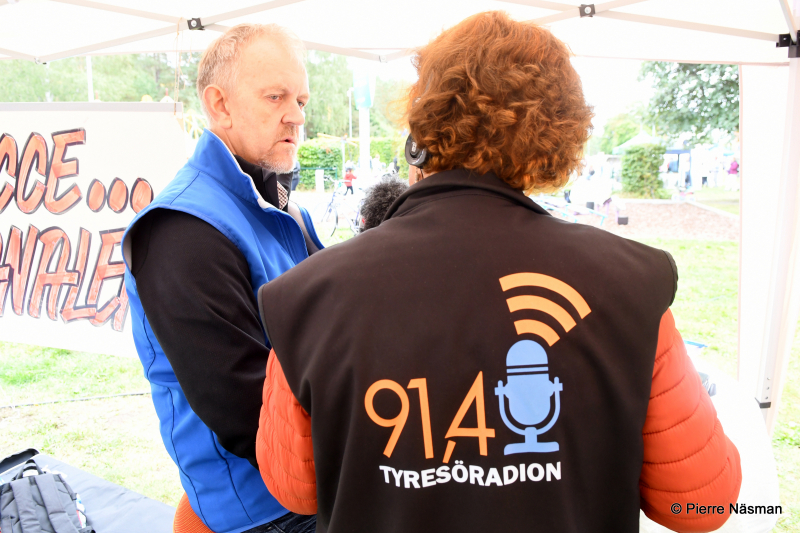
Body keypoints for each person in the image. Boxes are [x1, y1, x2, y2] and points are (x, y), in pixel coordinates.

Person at [254, 12, 741, 533]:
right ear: (558, 133)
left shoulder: (309, 297)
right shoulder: (630, 284)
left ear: (420, 135)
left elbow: (293, 487)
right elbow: (702, 503)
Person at [121, 23, 318, 533]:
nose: (297, 116)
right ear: (220, 105)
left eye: (301, 100)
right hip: (267, 507)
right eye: (275, 97)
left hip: (314, 472)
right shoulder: (182, 230)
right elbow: (246, 413)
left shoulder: (282, 208)